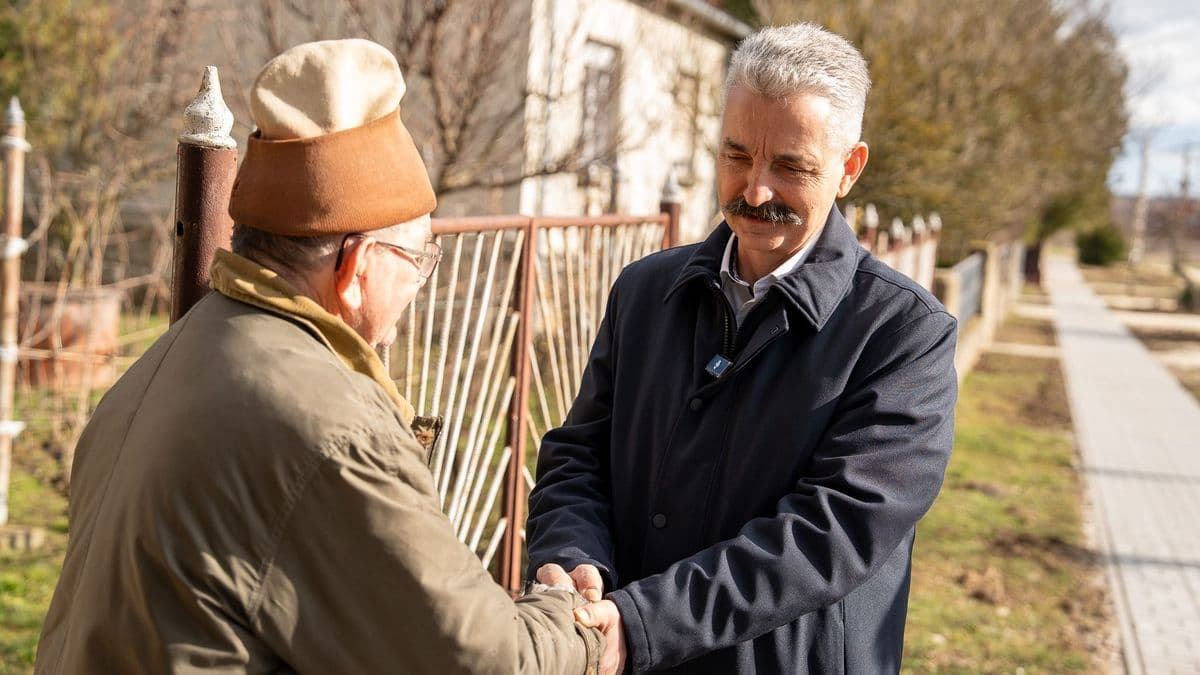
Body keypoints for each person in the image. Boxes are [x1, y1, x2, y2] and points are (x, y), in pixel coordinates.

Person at [35, 39, 600, 675]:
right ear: (356, 266)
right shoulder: (332, 427)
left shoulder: (168, 358)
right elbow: (477, 660)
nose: (419, 285)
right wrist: (567, 618)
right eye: (418, 261)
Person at [527, 23, 958, 675]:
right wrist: (571, 554)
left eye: (790, 167)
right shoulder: (646, 291)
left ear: (849, 168)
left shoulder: (905, 334)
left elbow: (829, 534)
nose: (754, 190)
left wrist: (644, 623)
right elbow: (577, 453)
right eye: (736, 155)